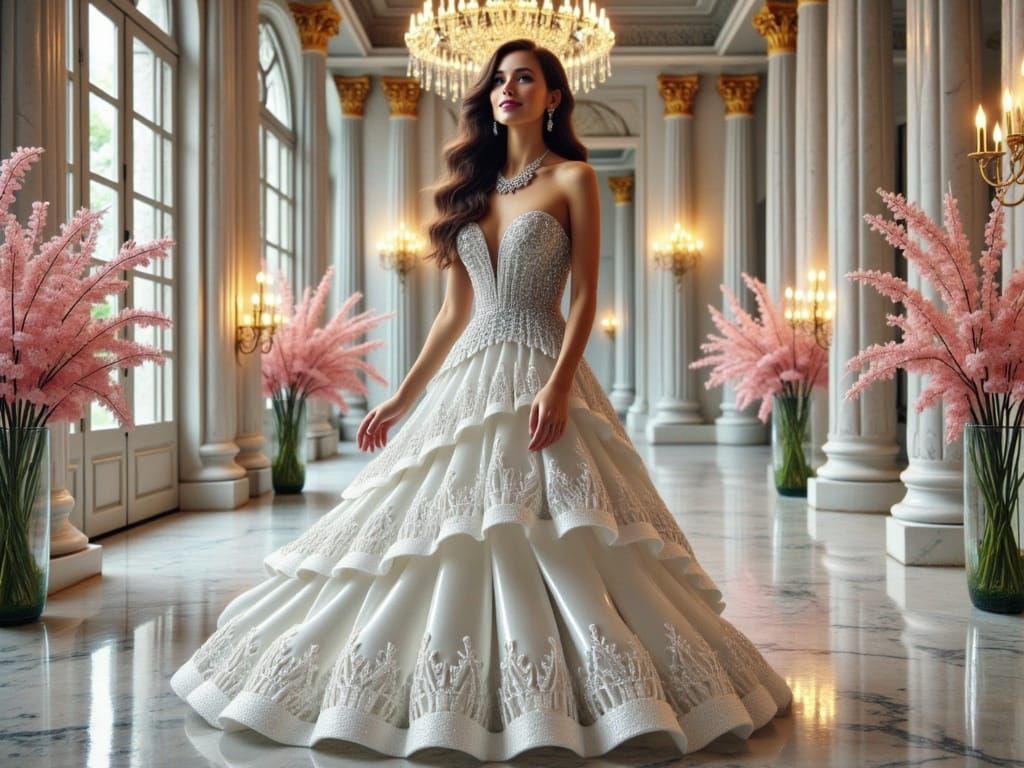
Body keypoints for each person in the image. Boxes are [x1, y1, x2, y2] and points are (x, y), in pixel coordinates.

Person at [171, 38, 791, 760]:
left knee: (552, 523)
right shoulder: (473, 190)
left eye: (525, 78)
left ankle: (568, 696)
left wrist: (559, 383)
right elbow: (451, 313)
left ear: (553, 96)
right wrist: (403, 396)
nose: (508, 89)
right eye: (499, 79)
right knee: (434, 526)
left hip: (539, 362)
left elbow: (588, 295)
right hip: (468, 374)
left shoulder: (575, 179)